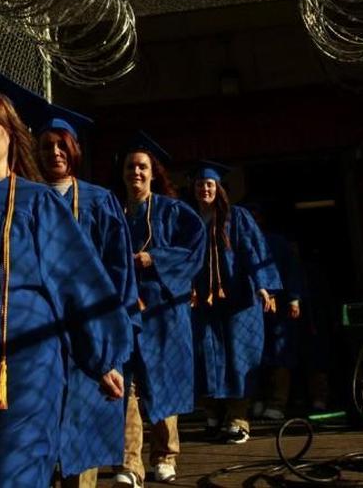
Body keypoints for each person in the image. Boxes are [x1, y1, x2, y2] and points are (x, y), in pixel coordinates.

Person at [0, 68, 130, 488]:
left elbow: (75, 276)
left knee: (9, 475)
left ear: (11, 133)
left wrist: (102, 356)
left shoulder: (37, 203)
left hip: (18, 370)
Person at [33, 105, 140, 488]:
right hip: (39, 331)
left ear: (74, 150)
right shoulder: (25, 199)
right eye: (46, 146)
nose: (54, 153)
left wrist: (118, 328)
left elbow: (119, 270)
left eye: (61, 145)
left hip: (89, 329)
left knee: (82, 430)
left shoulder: (99, 201)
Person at [115, 133, 205, 487]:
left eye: (142, 167)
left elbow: (194, 250)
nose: (135, 172)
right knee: (128, 383)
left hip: (164, 309)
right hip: (125, 307)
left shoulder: (172, 210)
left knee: (163, 379)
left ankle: (165, 456)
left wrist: (156, 257)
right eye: (130, 167)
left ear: (153, 173)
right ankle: (130, 463)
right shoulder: (113, 210)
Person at [185, 165, 282, 444]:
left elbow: (254, 251)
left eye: (209, 185)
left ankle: (239, 419)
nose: (204, 189)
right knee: (204, 356)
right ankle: (213, 415)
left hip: (239, 300)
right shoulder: (189, 220)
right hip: (201, 301)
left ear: (219, 188)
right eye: (199, 185)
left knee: (238, 358)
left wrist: (264, 286)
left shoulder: (237, 217)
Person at [243, 201, 305, 422]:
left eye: (256, 216)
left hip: (277, 307)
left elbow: (291, 270)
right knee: (252, 355)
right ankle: (255, 400)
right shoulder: (239, 241)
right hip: (250, 306)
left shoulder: (277, 242)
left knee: (279, 354)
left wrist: (294, 298)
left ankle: (277, 402)